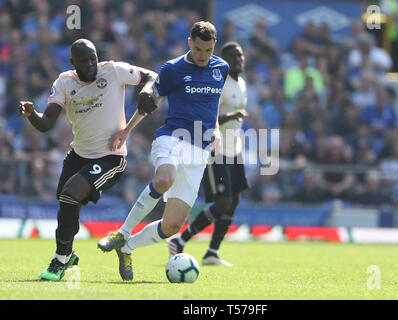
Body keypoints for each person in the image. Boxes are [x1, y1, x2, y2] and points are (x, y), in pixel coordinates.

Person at [97, 21, 229, 281]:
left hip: (199, 152)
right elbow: (149, 101)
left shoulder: (221, 69)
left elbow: (212, 104)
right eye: (200, 49)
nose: (204, 55)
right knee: (164, 179)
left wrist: (217, 130)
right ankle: (122, 232)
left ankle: (127, 247)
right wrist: (126, 131)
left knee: (172, 226)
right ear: (190, 43)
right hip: (172, 139)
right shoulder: (173, 69)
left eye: (209, 50)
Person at [18, 39, 156, 281]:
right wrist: (31, 114)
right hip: (78, 155)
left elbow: (154, 76)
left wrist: (146, 90)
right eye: (84, 61)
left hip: (111, 157)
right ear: (73, 63)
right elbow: (46, 123)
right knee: (66, 204)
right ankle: (68, 255)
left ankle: (59, 261)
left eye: (93, 58)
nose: (91, 64)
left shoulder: (114, 70)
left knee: (70, 194)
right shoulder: (64, 82)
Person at [167, 41, 249, 266]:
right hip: (216, 150)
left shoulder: (241, 83)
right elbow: (208, 116)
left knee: (234, 201)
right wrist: (231, 116)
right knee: (222, 203)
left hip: (235, 151)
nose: (239, 61)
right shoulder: (219, 83)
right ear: (224, 60)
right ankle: (181, 240)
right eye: (234, 58)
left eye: (241, 57)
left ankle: (212, 252)